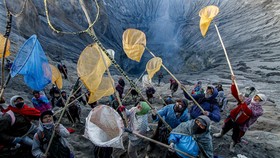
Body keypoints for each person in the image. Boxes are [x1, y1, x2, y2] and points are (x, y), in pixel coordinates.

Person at [213, 75, 267, 152]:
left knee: (237, 135)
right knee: (225, 126)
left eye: (258, 99)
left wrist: (242, 102)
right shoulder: (247, 100)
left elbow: (249, 113)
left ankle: (233, 144)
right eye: (255, 97)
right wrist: (233, 82)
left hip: (242, 124)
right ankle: (221, 134)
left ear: (262, 102)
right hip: (233, 117)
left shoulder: (260, 111)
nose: (255, 99)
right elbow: (235, 93)